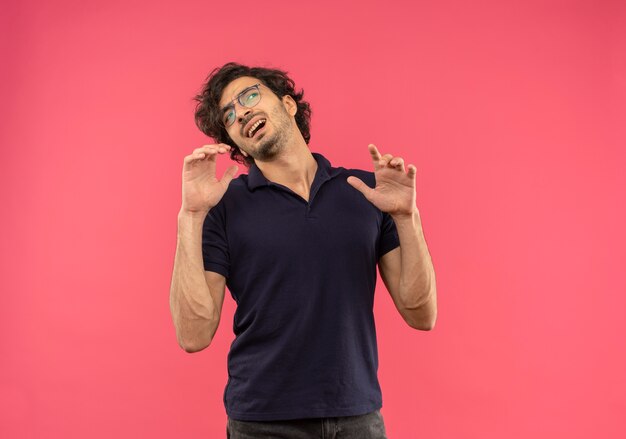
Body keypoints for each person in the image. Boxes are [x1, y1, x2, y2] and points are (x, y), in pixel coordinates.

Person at [169, 62, 437, 439]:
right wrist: (191, 214)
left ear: (289, 104)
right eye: (229, 115)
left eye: (249, 96)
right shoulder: (223, 207)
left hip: (358, 417)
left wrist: (408, 217)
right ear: (234, 143)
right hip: (262, 423)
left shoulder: (364, 191)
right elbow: (193, 336)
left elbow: (421, 313)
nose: (240, 111)